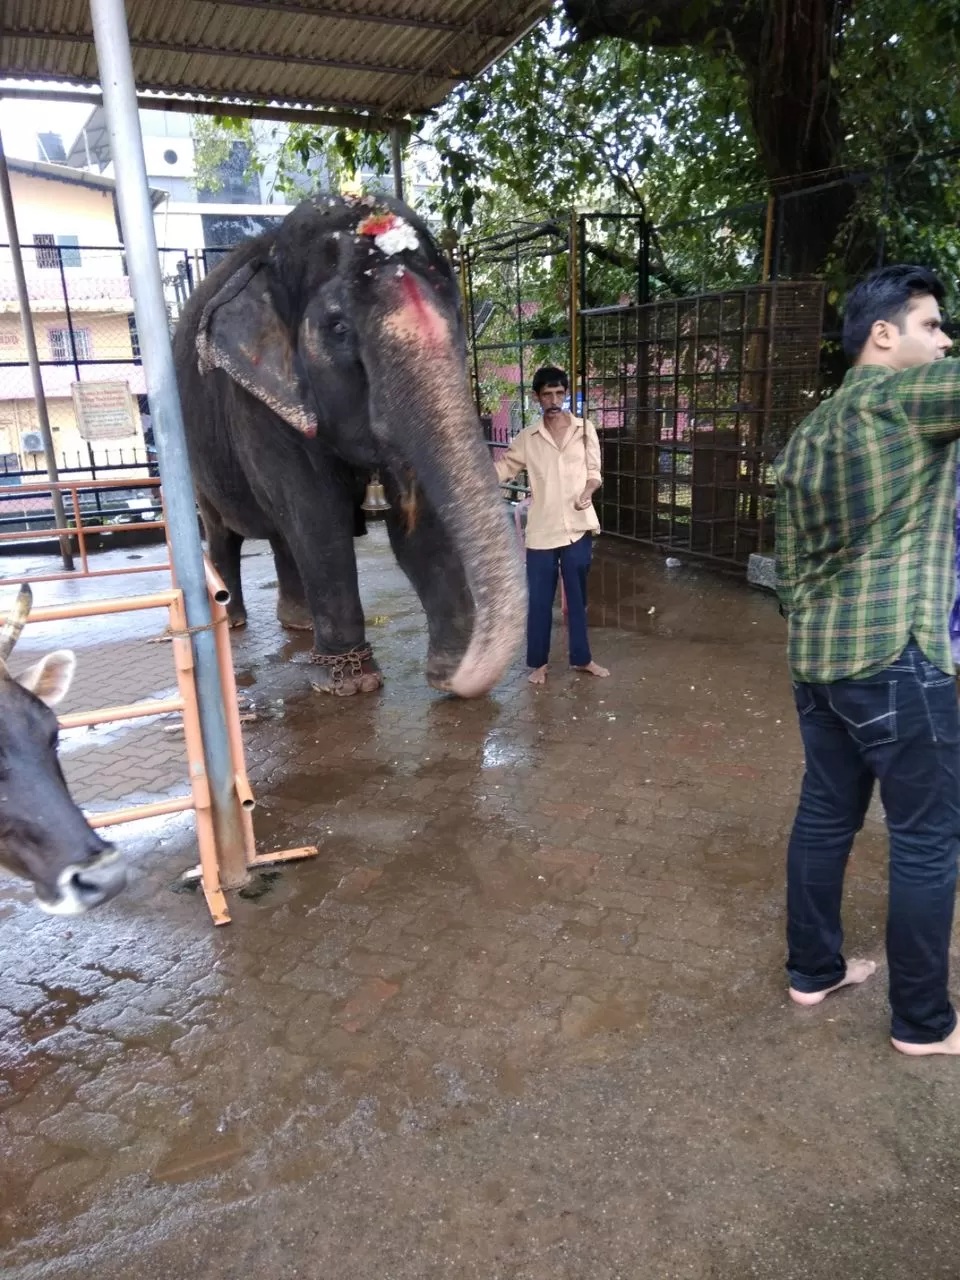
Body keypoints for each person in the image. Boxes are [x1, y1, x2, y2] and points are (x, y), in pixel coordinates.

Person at [775, 264, 960, 1056]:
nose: (946, 340)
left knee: (825, 815)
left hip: (818, 663)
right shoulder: (903, 400)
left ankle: (813, 972)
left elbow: (789, 569)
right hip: (899, 660)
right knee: (925, 839)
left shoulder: (808, 431)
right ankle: (923, 1023)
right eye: (932, 325)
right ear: (882, 335)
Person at [496, 366, 609, 685]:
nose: (554, 400)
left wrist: (588, 492)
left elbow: (594, 472)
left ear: (567, 394)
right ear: (537, 398)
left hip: (577, 527)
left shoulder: (584, 430)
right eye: (548, 394)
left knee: (577, 601)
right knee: (540, 601)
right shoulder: (527, 439)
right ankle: (538, 665)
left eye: (560, 393)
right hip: (542, 532)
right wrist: (472, 473)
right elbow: (504, 468)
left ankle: (582, 659)